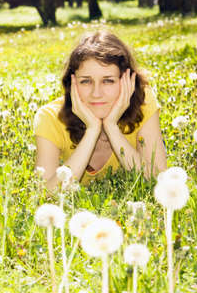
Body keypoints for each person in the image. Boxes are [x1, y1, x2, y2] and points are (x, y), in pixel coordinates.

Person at [34, 31, 167, 190]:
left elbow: (157, 182)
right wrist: (92, 130)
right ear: (72, 84)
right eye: (86, 81)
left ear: (127, 80)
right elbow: (45, 194)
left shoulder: (143, 104)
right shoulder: (50, 118)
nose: (96, 93)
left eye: (108, 81)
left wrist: (111, 127)